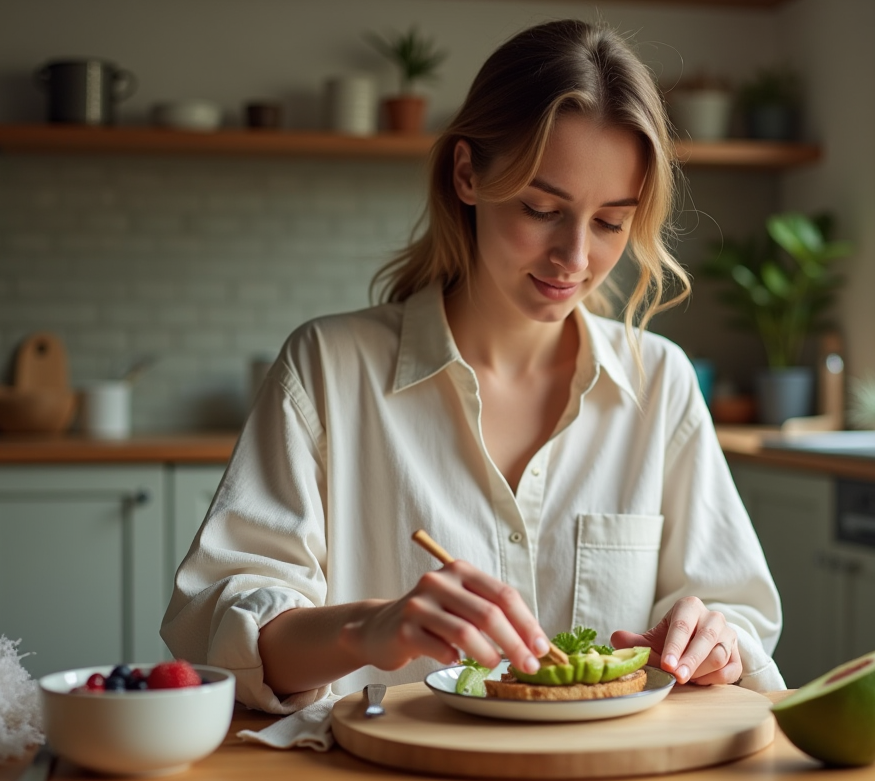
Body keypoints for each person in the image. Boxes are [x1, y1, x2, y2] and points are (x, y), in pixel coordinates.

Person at [161, 18, 785, 715]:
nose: (575, 257)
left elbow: (739, 620)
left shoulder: (659, 383)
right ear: (466, 174)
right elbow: (222, 627)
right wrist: (369, 629)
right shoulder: (328, 370)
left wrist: (716, 641)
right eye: (542, 208)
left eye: (611, 222)